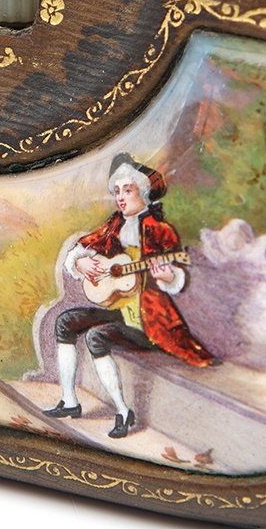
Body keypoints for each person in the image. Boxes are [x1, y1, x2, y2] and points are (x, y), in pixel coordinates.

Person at [45, 154, 215, 439]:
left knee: (96, 337)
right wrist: (80, 262)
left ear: (143, 192)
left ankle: (123, 412)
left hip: (147, 318)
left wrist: (168, 277)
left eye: (127, 190)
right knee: (65, 322)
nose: (120, 198)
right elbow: (84, 246)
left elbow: (177, 274)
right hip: (118, 308)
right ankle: (70, 401)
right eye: (117, 191)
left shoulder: (159, 230)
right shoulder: (115, 224)